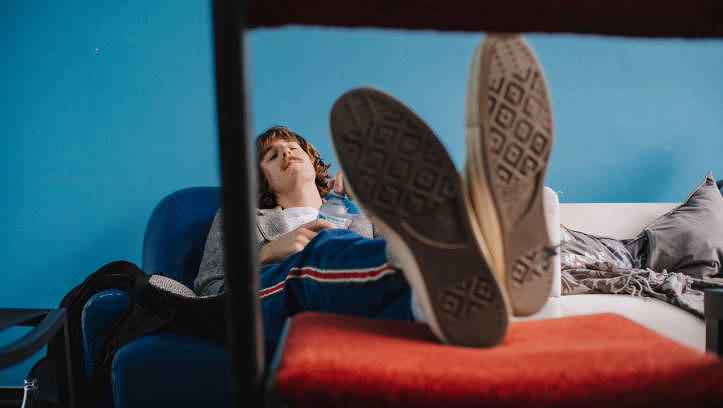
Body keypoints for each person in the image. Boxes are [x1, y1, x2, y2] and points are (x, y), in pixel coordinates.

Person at [194, 33, 556, 361]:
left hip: (357, 302)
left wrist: (373, 206)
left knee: (403, 274)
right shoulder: (241, 218)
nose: (286, 153)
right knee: (322, 252)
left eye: (293, 148)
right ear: (263, 179)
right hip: (271, 299)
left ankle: (439, 302)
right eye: (272, 155)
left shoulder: (361, 218)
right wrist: (269, 252)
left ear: (313, 161)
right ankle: (484, 242)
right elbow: (210, 290)